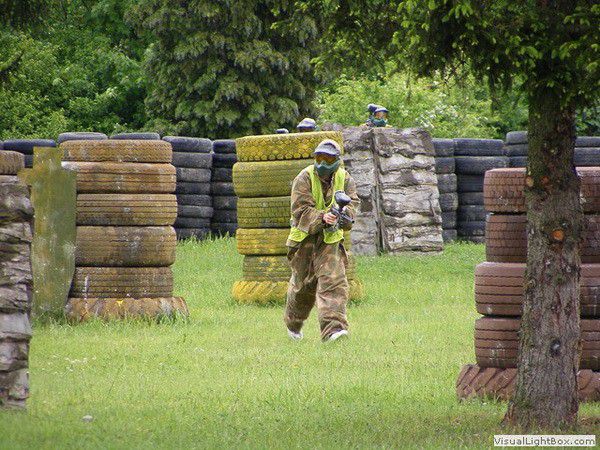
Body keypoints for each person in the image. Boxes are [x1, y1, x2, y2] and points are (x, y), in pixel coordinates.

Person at [284, 139, 359, 342]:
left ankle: (333, 331)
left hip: (330, 242)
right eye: (319, 158)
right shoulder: (304, 178)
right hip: (304, 241)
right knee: (303, 288)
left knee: (334, 281)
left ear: (337, 161)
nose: (322, 163)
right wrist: (322, 217)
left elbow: (353, 207)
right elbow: (300, 210)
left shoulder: (345, 179)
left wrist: (343, 217)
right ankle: (293, 324)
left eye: (327, 159)